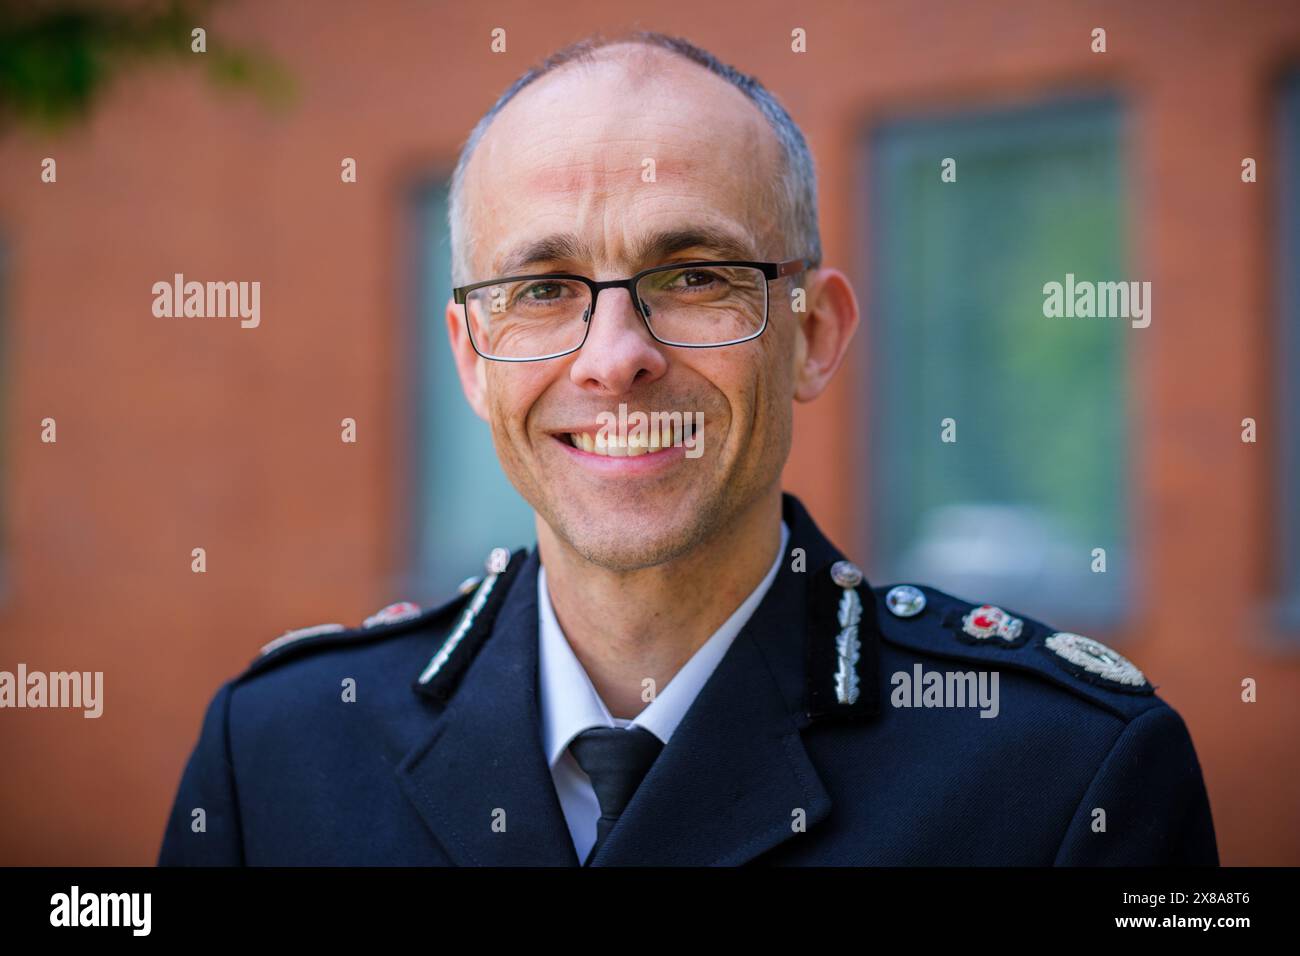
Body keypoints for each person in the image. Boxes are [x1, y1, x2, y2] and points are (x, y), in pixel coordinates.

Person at [158, 31, 1217, 866]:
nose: (614, 359)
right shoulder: (278, 755)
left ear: (811, 334)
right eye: (541, 289)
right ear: (472, 357)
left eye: (693, 275)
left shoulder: (1062, 775)